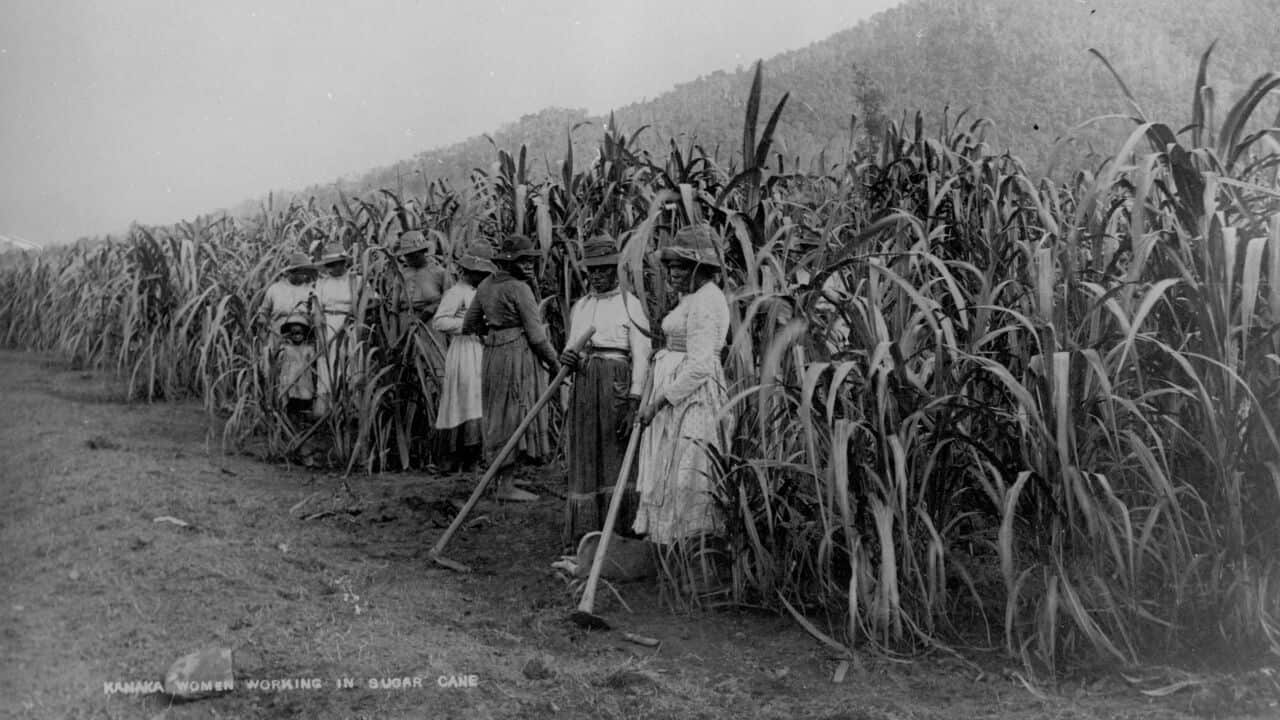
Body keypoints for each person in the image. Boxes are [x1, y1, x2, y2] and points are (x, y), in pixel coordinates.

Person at [634, 224, 732, 567]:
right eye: (671, 266)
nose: (673, 273)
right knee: (672, 469)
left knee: (689, 472)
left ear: (700, 269)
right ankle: (670, 552)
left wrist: (660, 400)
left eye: (680, 266)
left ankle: (694, 554)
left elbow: (701, 365)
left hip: (693, 400)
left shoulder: (708, 301)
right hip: (677, 398)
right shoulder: (692, 298)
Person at [559, 234, 651, 547]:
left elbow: (641, 355)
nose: (597, 275)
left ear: (615, 269)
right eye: (592, 270)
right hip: (585, 385)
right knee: (586, 451)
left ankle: (621, 529)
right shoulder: (581, 306)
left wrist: (634, 401)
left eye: (603, 269)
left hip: (617, 386)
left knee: (615, 451)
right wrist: (569, 357)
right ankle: (588, 529)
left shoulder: (631, 305)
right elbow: (571, 347)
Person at [461, 234, 561, 502]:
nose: (528, 266)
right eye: (523, 261)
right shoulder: (520, 289)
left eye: (530, 261)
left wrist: (494, 332)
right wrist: (554, 362)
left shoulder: (485, 285)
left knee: (498, 413)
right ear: (508, 262)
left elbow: (469, 324)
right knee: (514, 413)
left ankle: (505, 475)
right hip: (517, 355)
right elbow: (538, 337)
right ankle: (505, 485)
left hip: (493, 354)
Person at [430, 244, 497, 472]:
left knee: (478, 400)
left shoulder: (482, 292)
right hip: (464, 351)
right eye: (479, 273)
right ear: (469, 271)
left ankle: (474, 458)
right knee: (464, 400)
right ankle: (455, 458)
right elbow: (439, 321)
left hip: (481, 349)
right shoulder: (456, 292)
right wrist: (468, 325)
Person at [312, 242, 371, 414]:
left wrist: (357, 314)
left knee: (350, 363)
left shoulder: (356, 280)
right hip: (328, 325)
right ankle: (327, 408)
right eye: (328, 265)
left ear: (343, 262)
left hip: (350, 327)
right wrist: (319, 327)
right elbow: (317, 309)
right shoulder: (322, 283)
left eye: (334, 264)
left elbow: (371, 301)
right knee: (327, 363)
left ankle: (352, 409)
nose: (331, 268)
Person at [395, 229, 451, 384]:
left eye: (414, 255)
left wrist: (427, 313)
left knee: (435, 364)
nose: (410, 259)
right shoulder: (402, 274)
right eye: (407, 255)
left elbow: (449, 300)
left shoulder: (439, 273)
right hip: (406, 323)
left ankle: (437, 400)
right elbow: (395, 306)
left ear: (423, 251)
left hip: (430, 326)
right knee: (410, 365)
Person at [274, 313, 317, 421]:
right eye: (293, 333)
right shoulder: (286, 348)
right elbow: (280, 363)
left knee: (304, 401)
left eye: (299, 333)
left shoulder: (309, 349)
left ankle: (303, 422)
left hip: (304, 380)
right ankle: (291, 420)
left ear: (304, 333)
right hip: (290, 379)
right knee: (291, 403)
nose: (296, 336)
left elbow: (313, 362)